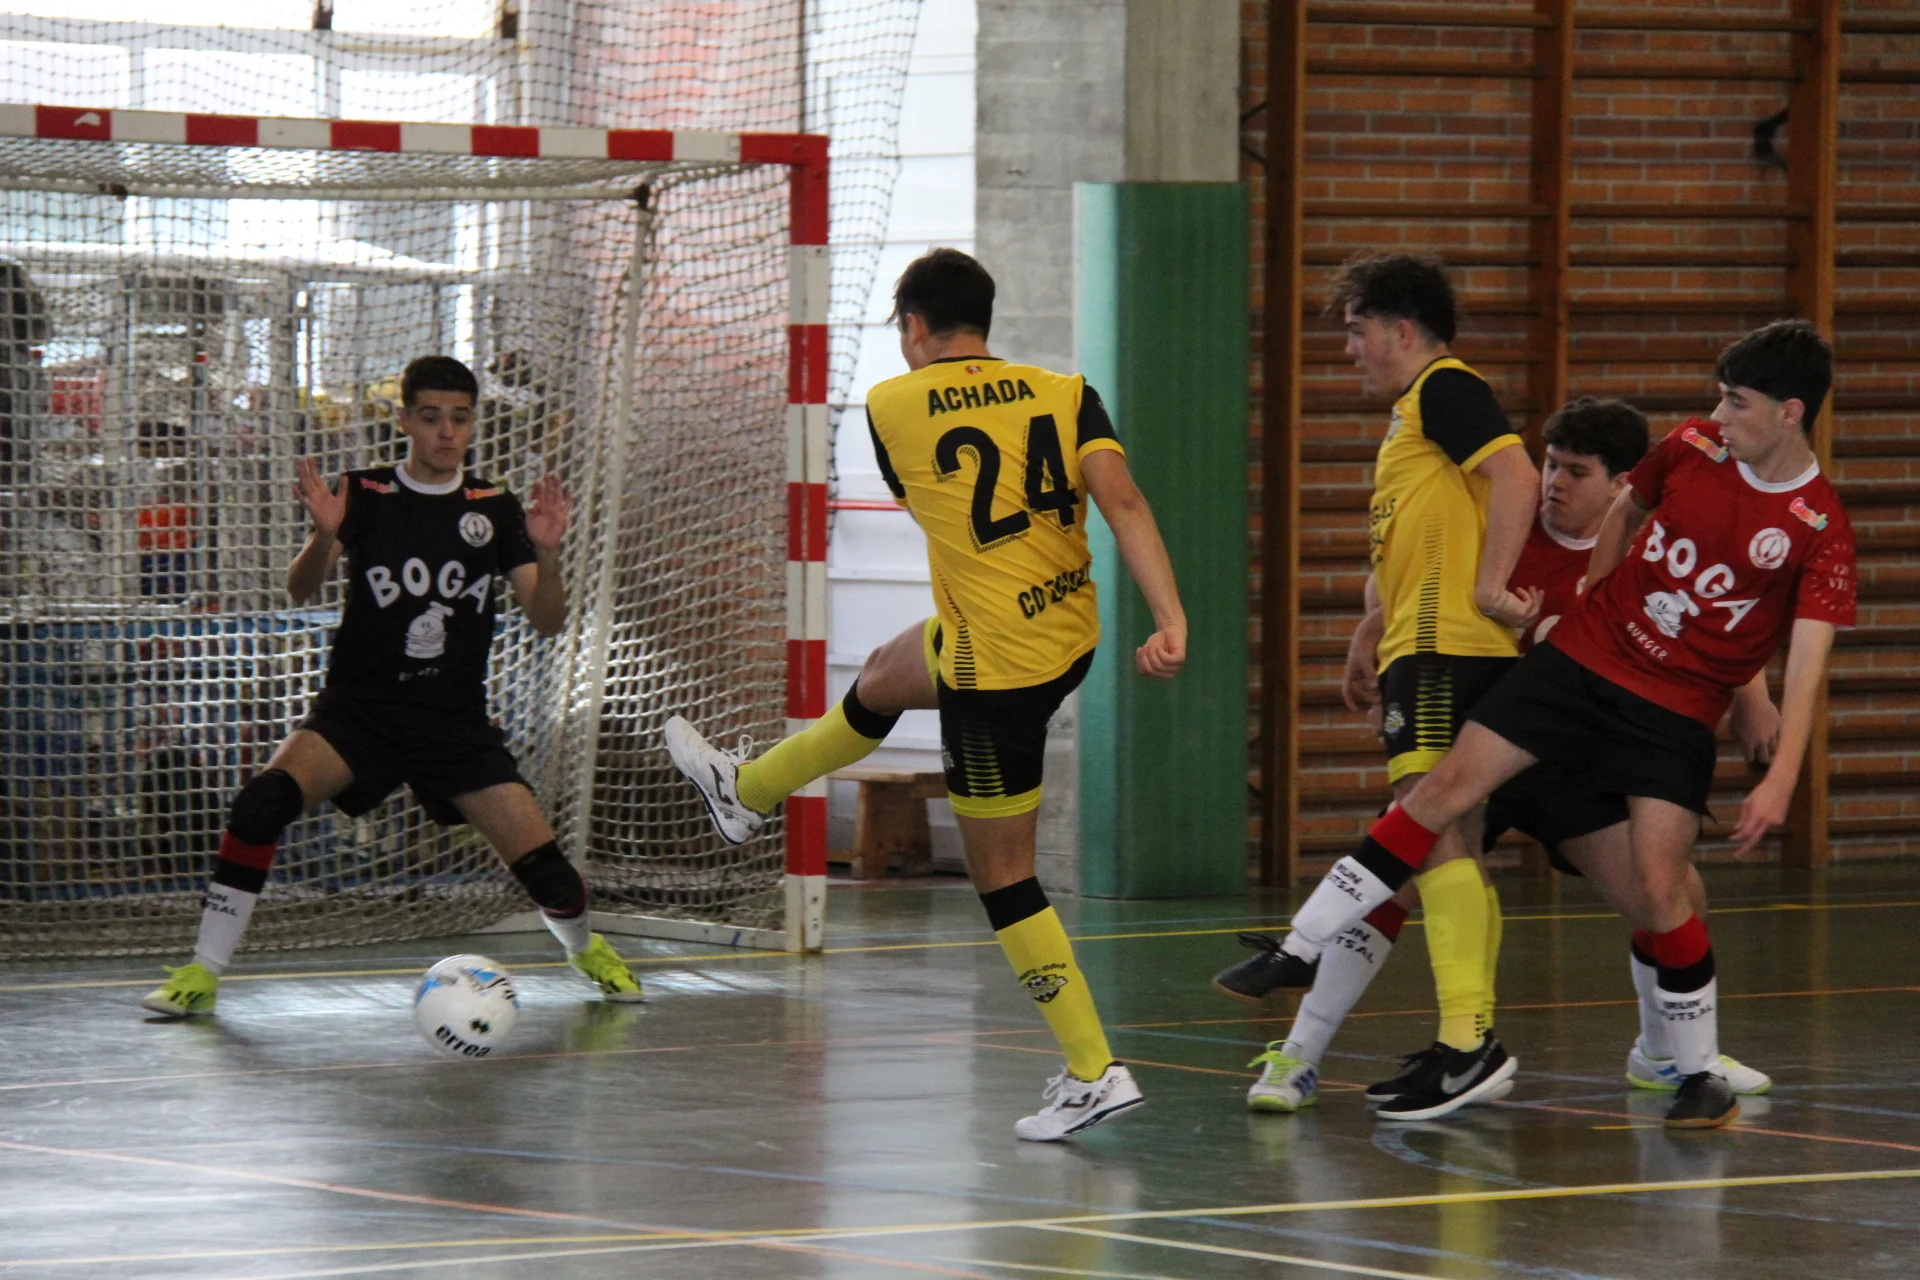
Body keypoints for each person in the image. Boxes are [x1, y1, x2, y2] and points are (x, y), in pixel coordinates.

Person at [1225, 320, 1854, 1129]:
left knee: (1666, 889)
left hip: (1627, 731)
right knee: (1424, 830)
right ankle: (1306, 1021)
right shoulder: (1552, 508)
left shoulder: (1810, 525)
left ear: (1789, 412)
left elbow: (1759, 629)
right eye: (1548, 465)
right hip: (1538, 698)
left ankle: (1675, 1055)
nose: (1552, 483)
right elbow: (1415, 558)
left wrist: (1761, 723)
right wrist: (1373, 625)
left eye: (1573, 471)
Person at [663, 248, 1187, 1141]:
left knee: (1005, 877)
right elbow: (1125, 503)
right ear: (984, 318)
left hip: (994, 670)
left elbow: (930, 504)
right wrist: (1170, 619)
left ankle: (1093, 1070)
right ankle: (747, 792)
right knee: (882, 673)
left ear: (913, 325)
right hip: (1067, 633)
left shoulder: (889, 405)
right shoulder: (1066, 392)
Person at [141, 356, 643, 1017]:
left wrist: (546, 555)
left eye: (459, 418)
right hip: (358, 715)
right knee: (262, 804)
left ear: (473, 423)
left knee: (551, 876)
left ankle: (586, 951)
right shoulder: (364, 493)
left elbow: (547, 620)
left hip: (454, 724)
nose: (446, 432)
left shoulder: (494, 508)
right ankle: (202, 972)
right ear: (404, 420)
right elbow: (299, 589)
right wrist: (324, 535)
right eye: (431, 417)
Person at [1214, 252, 1540, 1121]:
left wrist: (1490, 586)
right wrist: (1372, 627)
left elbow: (1518, 475)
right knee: (1444, 842)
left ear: (1402, 331)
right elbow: (1426, 538)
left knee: (1424, 832)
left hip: (1444, 649)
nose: (1348, 349)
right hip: (1429, 644)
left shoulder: (1442, 389)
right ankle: (1458, 1039)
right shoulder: (1416, 417)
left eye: (1357, 331)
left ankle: (1465, 1041)